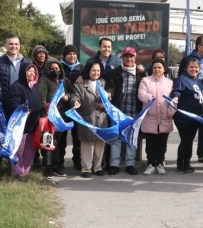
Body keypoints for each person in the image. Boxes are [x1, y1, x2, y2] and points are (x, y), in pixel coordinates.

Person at [105, 46, 144, 175]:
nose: (129, 58)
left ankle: (130, 164)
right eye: (126, 56)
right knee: (115, 139)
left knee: (131, 139)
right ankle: (114, 164)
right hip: (117, 111)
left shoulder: (141, 74)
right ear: (122, 57)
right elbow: (110, 87)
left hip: (134, 111)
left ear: (135, 57)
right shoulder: (115, 72)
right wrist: (109, 93)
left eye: (131, 56)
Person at [70, 60, 109, 178]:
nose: (96, 73)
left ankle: (97, 167)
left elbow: (108, 99)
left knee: (99, 145)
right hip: (87, 120)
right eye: (93, 70)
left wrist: (105, 103)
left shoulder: (103, 82)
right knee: (87, 145)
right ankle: (86, 169)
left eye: (98, 70)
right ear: (88, 71)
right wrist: (75, 101)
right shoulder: (80, 84)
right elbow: (74, 96)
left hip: (101, 119)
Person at [5, 62, 43, 178]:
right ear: (23, 72)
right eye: (29, 71)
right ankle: (17, 173)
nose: (32, 73)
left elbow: (38, 102)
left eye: (33, 71)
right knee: (18, 151)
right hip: (20, 126)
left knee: (29, 151)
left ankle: (24, 172)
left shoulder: (34, 87)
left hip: (32, 125)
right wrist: (23, 110)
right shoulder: (16, 87)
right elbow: (13, 104)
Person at [137, 58, 174, 175]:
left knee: (162, 143)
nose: (157, 69)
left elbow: (173, 99)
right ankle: (151, 163)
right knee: (150, 143)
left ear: (164, 69)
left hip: (164, 117)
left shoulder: (170, 82)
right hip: (150, 117)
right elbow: (140, 94)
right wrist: (148, 97)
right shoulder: (145, 80)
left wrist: (171, 110)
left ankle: (159, 162)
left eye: (159, 67)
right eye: (155, 67)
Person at [170, 56, 203, 173]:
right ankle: (181, 164)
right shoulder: (182, 79)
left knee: (189, 140)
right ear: (186, 68)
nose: (193, 69)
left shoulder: (199, 82)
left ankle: (187, 162)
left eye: (196, 67)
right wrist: (175, 97)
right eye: (191, 67)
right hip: (184, 117)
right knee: (185, 140)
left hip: (196, 117)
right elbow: (176, 91)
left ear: (199, 69)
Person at [37, 57, 70, 178]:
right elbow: (42, 98)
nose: (55, 71)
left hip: (62, 119)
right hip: (49, 118)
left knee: (60, 144)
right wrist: (46, 111)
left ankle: (58, 166)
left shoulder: (64, 81)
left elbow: (73, 93)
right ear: (47, 69)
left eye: (57, 68)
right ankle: (48, 169)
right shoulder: (44, 80)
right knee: (49, 144)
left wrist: (69, 97)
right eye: (52, 69)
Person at [59, 45, 83, 171]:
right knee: (62, 137)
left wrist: (83, 75)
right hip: (62, 108)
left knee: (77, 137)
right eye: (69, 54)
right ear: (64, 55)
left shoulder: (82, 68)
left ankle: (77, 161)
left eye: (74, 53)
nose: (72, 56)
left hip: (77, 108)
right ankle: (60, 163)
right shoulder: (59, 67)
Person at [0, 35, 31, 101]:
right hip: (3, 102)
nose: (14, 46)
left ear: (19, 46)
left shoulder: (28, 63)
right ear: (5, 46)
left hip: (22, 102)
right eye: (10, 44)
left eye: (16, 44)